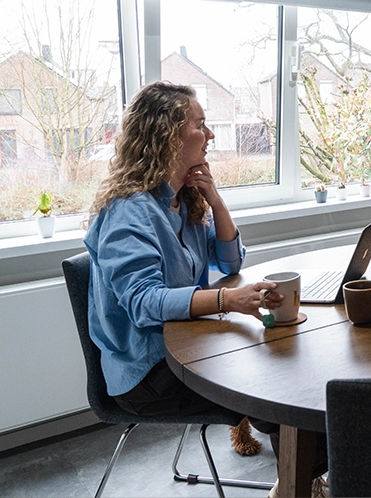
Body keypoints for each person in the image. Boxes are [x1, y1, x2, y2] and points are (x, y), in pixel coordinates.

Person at [85, 81, 283, 456]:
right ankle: (298, 483)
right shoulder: (128, 212)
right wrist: (226, 300)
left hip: (187, 348)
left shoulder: (181, 200)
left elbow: (230, 262)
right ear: (167, 136)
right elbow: (144, 304)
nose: (209, 135)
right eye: (200, 125)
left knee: (280, 368)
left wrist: (216, 201)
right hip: (147, 374)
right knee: (276, 391)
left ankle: (299, 478)